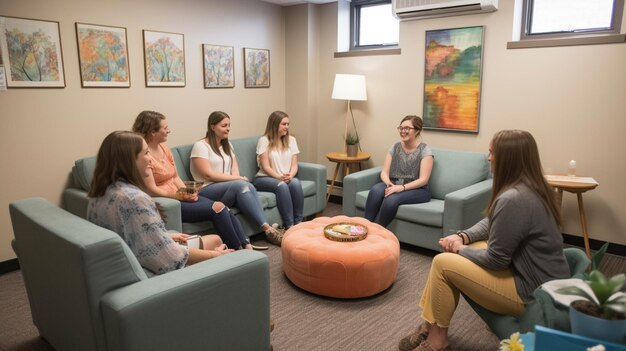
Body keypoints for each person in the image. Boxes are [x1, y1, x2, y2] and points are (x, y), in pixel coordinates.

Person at [398, 130, 570, 351]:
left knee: (442, 263)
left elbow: (497, 259)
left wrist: (459, 249)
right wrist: (463, 236)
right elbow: (491, 223)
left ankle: (437, 340)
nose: (488, 157)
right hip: (539, 279)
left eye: (492, 153)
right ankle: (429, 326)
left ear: (508, 158)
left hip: (532, 294)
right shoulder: (531, 188)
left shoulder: (514, 198)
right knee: (469, 248)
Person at [87, 131, 234, 276]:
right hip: (153, 272)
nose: (150, 160)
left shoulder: (100, 192)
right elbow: (169, 259)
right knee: (219, 246)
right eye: (145, 153)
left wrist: (165, 236)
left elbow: (127, 232)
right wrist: (215, 256)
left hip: (127, 260)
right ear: (129, 160)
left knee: (215, 239)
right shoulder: (134, 199)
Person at [131, 110, 263, 251]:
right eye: (165, 128)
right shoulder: (143, 155)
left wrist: (188, 192)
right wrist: (179, 196)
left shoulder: (164, 148)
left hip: (181, 195)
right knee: (217, 208)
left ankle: (246, 245)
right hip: (170, 201)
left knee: (224, 207)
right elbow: (151, 189)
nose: (169, 130)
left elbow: (175, 176)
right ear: (153, 132)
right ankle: (238, 249)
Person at [190, 111, 285, 246]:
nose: (228, 129)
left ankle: (267, 229)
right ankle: (268, 229)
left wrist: (238, 178)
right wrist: (237, 179)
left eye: (229, 125)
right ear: (212, 127)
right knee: (240, 185)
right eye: (224, 126)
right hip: (207, 189)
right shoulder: (200, 146)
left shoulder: (227, 145)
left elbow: (235, 170)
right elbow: (208, 174)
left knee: (247, 186)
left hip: (227, 188)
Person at [363, 115, 433, 227]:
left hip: (418, 190)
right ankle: (364, 226)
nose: (403, 131)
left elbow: (423, 180)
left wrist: (401, 188)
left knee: (391, 199)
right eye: (401, 128)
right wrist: (388, 183)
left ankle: (377, 231)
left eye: (407, 128)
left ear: (417, 131)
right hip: (394, 184)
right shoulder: (394, 147)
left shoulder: (425, 150)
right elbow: (384, 172)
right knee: (376, 190)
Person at [253, 111, 304, 230]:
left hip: (285, 177)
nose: (287, 127)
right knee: (281, 186)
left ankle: (299, 223)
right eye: (284, 124)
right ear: (275, 124)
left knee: (296, 183)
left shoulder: (291, 140)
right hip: (264, 178)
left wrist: (291, 175)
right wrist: (279, 177)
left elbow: (294, 164)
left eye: (288, 124)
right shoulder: (264, 140)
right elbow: (265, 167)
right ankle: (289, 225)